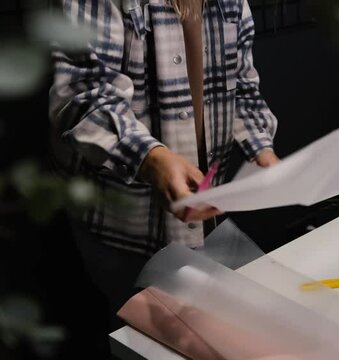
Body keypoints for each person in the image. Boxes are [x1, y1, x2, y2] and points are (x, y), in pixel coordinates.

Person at [49, 0, 280, 332]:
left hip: (205, 218)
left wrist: (262, 149)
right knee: (143, 342)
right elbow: (84, 97)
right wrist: (150, 158)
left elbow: (242, 88)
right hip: (125, 227)